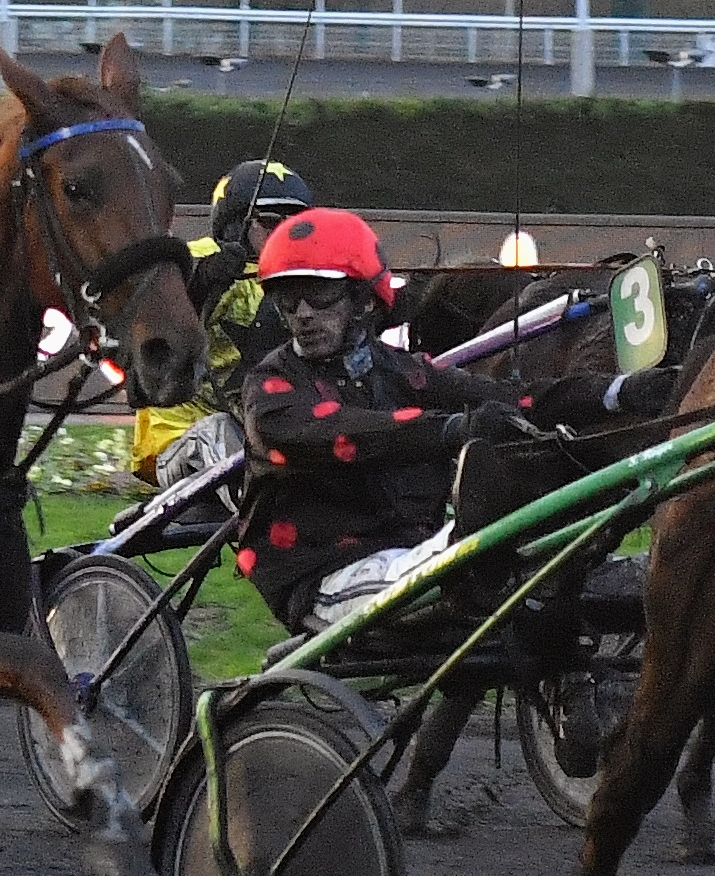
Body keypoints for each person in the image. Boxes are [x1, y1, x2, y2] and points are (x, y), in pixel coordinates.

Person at [227, 202, 658, 629]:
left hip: (406, 551)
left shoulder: (397, 368)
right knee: (473, 557)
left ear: (362, 300)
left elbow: (514, 399)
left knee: (533, 565)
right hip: (319, 573)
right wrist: (455, 429)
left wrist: (618, 392)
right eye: (288, 298)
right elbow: (344, 435)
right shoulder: (270, 386)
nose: (303, 314)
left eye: (319, 295)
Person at [129, 156, 312, 474]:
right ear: (234, 224)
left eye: (294, 226)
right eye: (270, 223)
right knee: (220, 430)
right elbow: (157, 327)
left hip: (268, 437)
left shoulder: (306, 278)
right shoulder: (189, 261)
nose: (284, 235)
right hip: (182, 438)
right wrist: (201, 286)